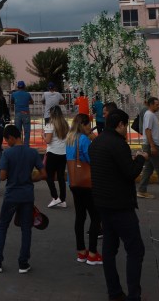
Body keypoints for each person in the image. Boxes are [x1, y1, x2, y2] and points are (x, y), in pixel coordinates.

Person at [90, 110, 149, 301]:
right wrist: (140, 158)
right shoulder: (118, 145)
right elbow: (130, 173)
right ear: (121, 125)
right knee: (135, 250)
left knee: (109, 248)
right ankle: (134, 295)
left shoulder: (96, 143)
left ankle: (114, 291)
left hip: (102, 204)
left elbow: (110, 169)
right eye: (126, 126)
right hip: (120, 205)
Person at [0, 124, 46, 274]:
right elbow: (43, 174)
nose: (6, 143)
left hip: (11, 195)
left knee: (3, 226)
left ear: (12, 138)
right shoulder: (32, 153)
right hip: (27, 195)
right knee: (26, 229)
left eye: (7, 140)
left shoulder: (8, 154)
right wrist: (31, 179)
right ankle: (23, 263)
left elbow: (2, 177)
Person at [66, 113, 102, 265]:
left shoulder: (70, 139)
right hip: (87, 182)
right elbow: (93, 158)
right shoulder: (84, 140)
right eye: (89, 124)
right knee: (95, 217)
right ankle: (93, 252)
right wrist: (95, 140)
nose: (90, 127)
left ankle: (81, 251)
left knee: (80, 216)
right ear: (83, 125)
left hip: (74, 181)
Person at [43, 105, 69, 208]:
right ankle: (63, 199)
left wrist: (43, 136)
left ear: (52, 114)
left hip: (53, 153)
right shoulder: (65, 124)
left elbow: (48, 141)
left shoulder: (50, 125)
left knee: (49, 176)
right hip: (63, 153)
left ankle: (55, 197)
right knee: (61, 177)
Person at [10, 80, 32, 146]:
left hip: (18, 114)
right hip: (26, 113)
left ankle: (18, 144)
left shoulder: (14, 94)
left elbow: (12, 102)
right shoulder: (27, 94)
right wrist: (26, 103)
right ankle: (26, 146)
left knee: (17, 131)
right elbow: (32, 102)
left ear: (17, 87)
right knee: (27, 131)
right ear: (24, 86)